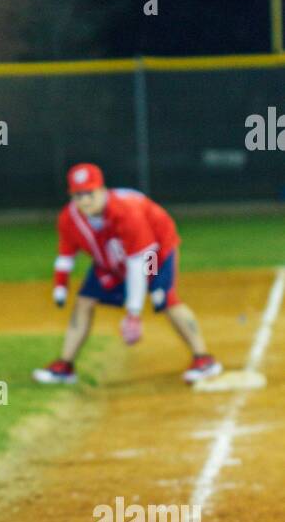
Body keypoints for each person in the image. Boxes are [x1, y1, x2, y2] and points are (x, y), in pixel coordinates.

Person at [33, 162, 221, 386]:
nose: (84, 201)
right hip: (111, 256)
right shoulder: (70, 218)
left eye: (89, 193)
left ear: (102, 190)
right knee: (84, 302)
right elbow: (66, 253)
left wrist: (134, 313)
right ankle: (65, 366)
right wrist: (60, 286)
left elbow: (137, 264)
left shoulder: (126, 211)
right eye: (78, 195)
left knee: (165, 298)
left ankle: (203, 359)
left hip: (154, 253)